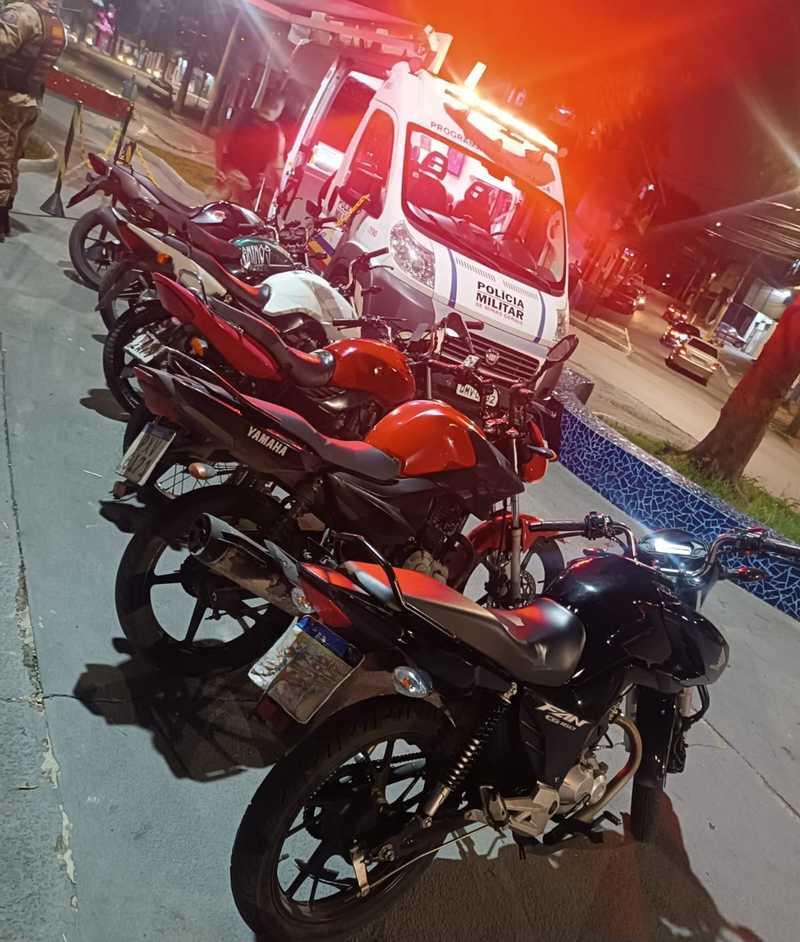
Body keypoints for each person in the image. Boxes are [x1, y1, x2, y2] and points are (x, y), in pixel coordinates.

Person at [0, 0, 65, 240]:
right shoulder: (54, 23)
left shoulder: (22, 13)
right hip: (29, 100)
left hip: (8, 99)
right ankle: (5, 211)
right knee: (12, 158)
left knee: (2, 159)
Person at [215, 91, 286, 211]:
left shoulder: (243, 115)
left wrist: (220, 168)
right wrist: (281, 192)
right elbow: (277, 168)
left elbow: (220, 139)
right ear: (278, 109)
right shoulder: (276, 133)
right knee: (242, 216)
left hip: (228, 174)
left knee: (214, 211)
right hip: (246, 184)